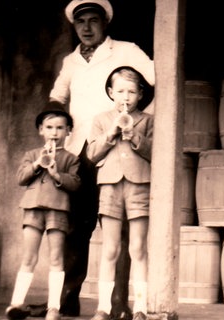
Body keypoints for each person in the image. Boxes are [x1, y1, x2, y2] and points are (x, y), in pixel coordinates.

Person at [43, 0, 155, 318]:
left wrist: (139, 122)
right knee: (76, 226)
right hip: (82, 149)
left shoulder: (126, 51)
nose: (87, 27)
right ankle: (67, 298)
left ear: (105, 23)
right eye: (81, 22)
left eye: (94, 20)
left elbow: (159, 80)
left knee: (117, 230)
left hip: (119, 153)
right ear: (74, 26)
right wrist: (54, 127)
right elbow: (58, 94)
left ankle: (119, 303)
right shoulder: (71, 61)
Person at [86, 66, 153, 320]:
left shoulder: (148, 121)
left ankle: (141, 308)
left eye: (132, 92)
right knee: (110, 249)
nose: (126, 97)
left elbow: (155, 153)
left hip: (139, 186)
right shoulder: (101, 119)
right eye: (121, 91)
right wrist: (111, 133)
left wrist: (135, 136)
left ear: (140, 95)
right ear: (111, 92)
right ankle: (103, 307)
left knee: (138, 249)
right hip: (110, 187)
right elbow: (92, 155)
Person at [6, 102, 81, 320]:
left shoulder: (71, 158)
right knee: (28, 256)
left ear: (68, 131)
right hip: (33, 209)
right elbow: (21, 178)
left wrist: (57, 175)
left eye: (60, 128)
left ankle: (54, 307)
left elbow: (75, 184)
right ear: (41, 130)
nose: (54, 133)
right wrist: (38, 163)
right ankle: (16, 304)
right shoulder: (31, 154)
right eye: (49, 127)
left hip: (58, 210)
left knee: (57, 257)